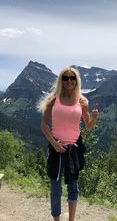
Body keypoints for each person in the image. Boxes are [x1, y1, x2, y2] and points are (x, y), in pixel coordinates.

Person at [37, 67, 98, 221]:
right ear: (61, 80)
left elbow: (88, 126)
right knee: (55, 188)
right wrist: (54, 143)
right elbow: (44, 125)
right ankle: (56, 219)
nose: (69, 80)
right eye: (66, 78)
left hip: (74, 148)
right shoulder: (53, 99)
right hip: (56, 147)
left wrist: (94, 117)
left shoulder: (82, 101)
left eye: (72, 78)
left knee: (73, 187)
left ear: (76, 80)